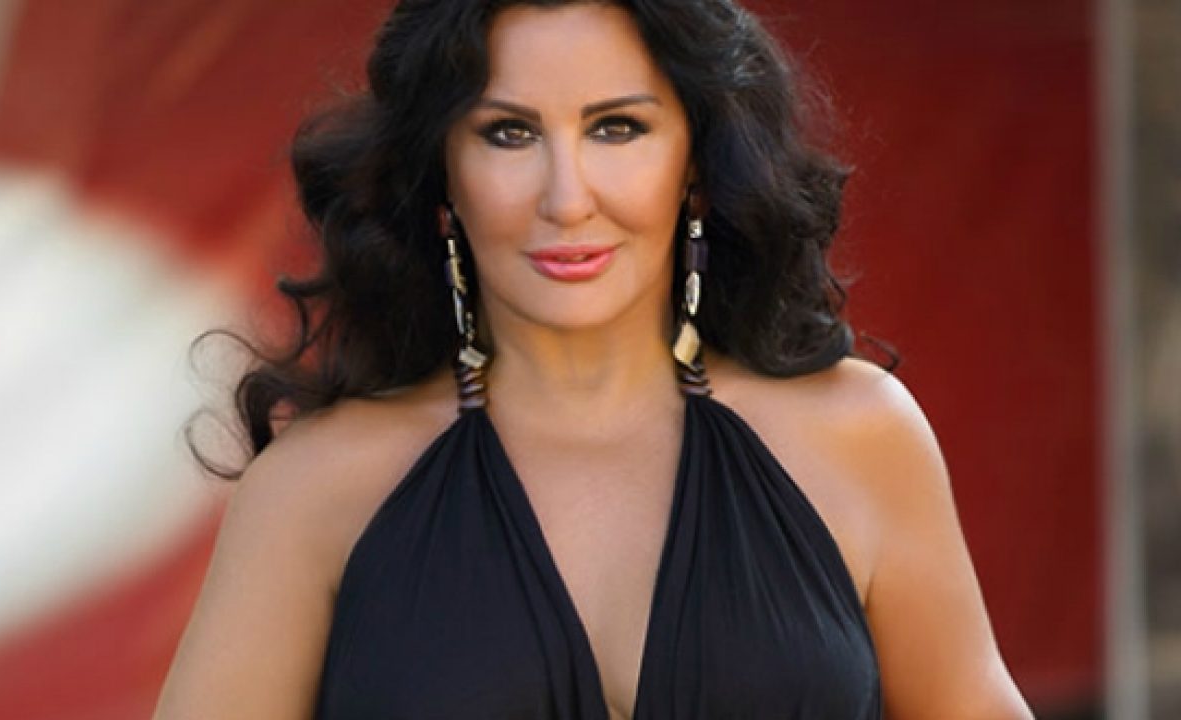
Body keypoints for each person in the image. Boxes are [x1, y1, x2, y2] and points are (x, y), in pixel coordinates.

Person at [156, 1, 1034, 718]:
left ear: (695, 165)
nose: (567, 198)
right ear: (441, 178)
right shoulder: (316, 490)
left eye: (617, 127)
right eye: (508, 133)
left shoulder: (859, 438)